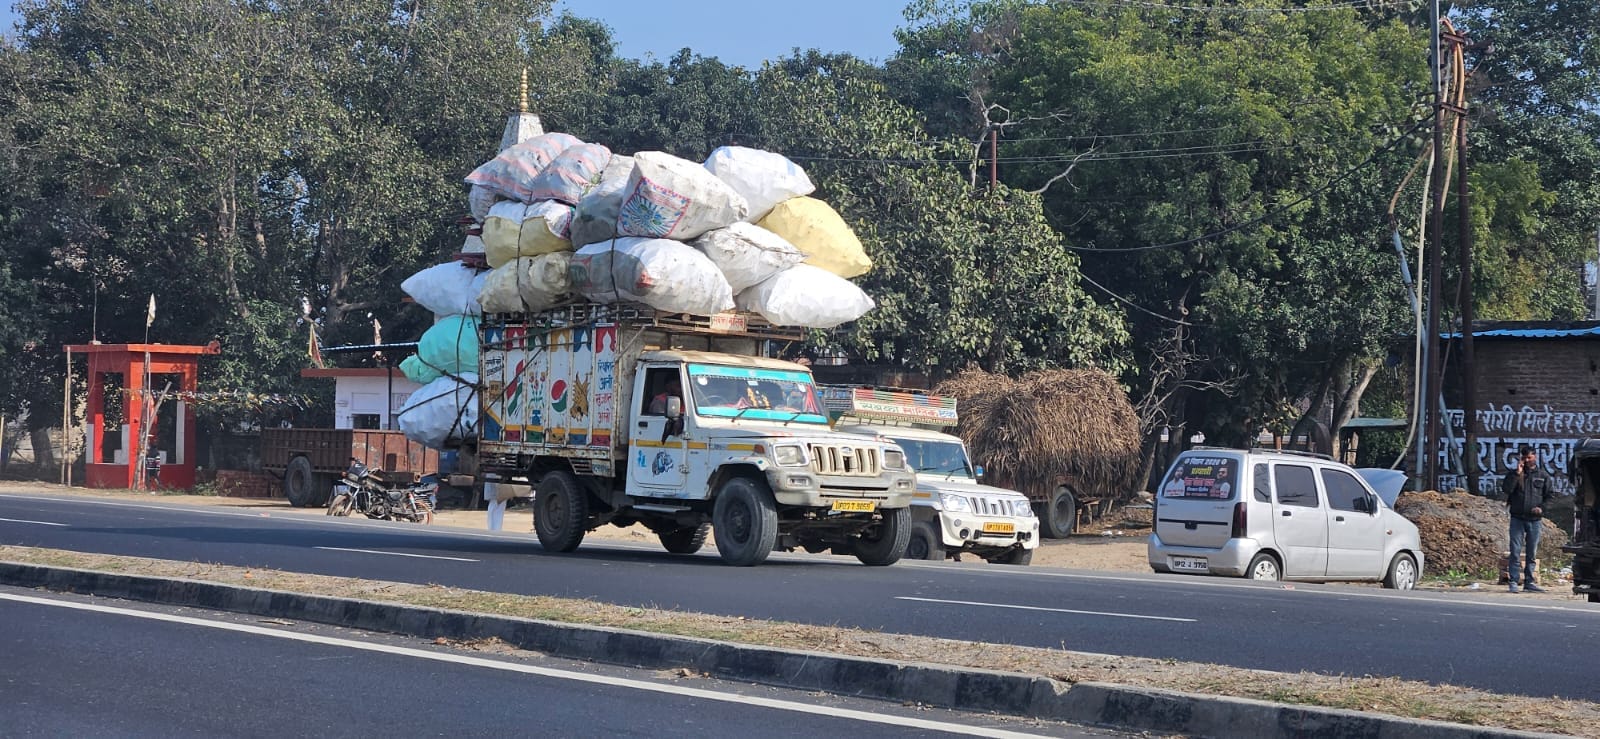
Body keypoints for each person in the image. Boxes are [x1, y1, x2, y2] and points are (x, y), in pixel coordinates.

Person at [1502, 446, 1554, 593]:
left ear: (1535, 457)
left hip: (1534, 520)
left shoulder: (1543, 475)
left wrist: (1541, 508)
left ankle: (1529, 582)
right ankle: (1513, 581)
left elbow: (1550, 496)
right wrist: (1517, 474)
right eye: (1524, 458)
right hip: (1517, 518)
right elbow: (1506, 489)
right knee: (1515, 551)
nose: (1526, 460)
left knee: (1532, 553)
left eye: (1529, 458)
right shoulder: (1514, 474)